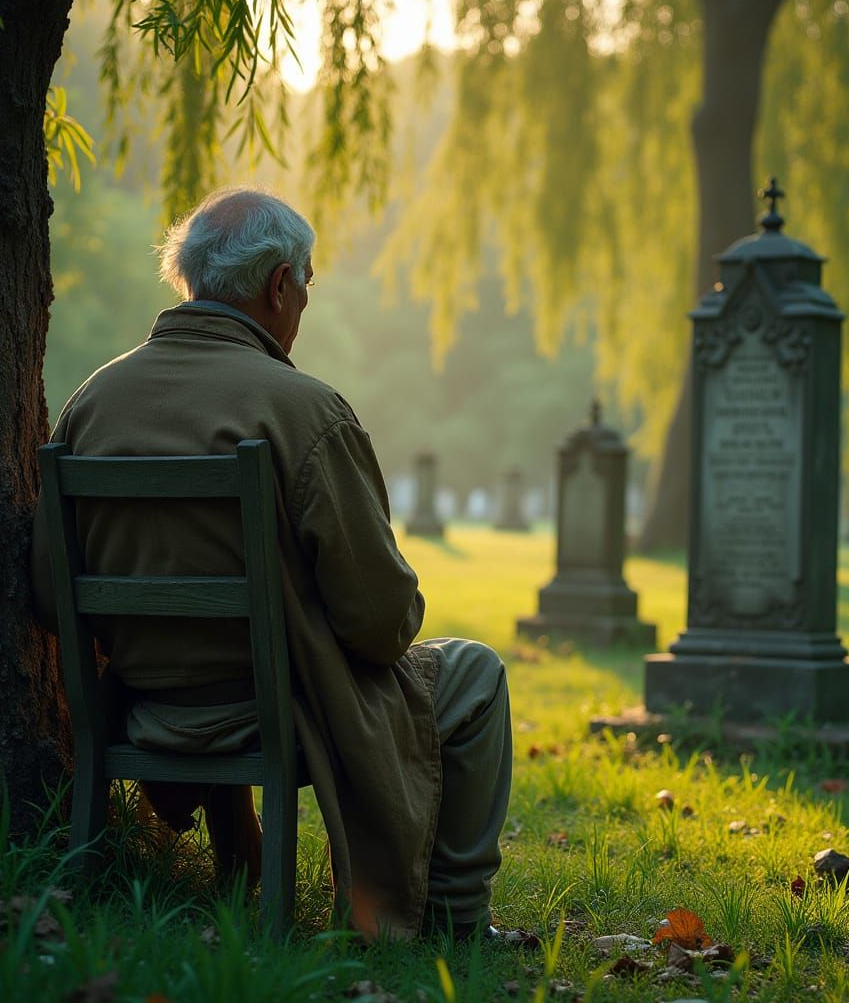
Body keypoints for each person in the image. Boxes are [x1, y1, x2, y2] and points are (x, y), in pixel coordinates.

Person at [30, 187, 512, 941]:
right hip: (280, 714)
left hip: (145, 708)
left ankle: (238, 864)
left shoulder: (91, 401)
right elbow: (382, 627)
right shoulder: (303, 408)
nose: (306, 301)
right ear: (279, 285)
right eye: (308, 282)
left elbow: (47, 595)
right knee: (476, 676)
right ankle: (453, 921)